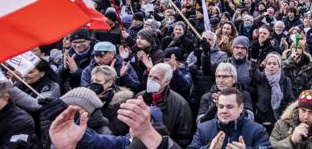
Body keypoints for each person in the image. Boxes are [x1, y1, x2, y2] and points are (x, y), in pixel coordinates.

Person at [49, 98, 181, 149]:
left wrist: (146, 134)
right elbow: (97, 141)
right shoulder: (124, 142)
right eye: (131, 119)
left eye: (141, 119)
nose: (134, 125)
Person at [188, 87, 271, 149]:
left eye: (229, 107)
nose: (224, 111)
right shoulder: (203, 129)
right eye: (221, 106)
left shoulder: (258, 130)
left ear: (241, 108)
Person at [137, 63, 193, 147]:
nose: (150, 80)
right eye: (150, 76)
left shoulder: (181, 104)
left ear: (166, 82)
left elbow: (183, 138)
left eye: (156, 78)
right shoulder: (139, 97)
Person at [249, 52, 294, 130]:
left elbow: (290, 99)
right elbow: (253, 72)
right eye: (269, 63)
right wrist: (253, 61)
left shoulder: (286, 80)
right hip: (262, 117)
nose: (271, 66)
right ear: (265, 66)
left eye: (274, 64)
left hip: (279, 117)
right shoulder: (261, 77)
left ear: (279, 66)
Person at [187, 31, 227, 114]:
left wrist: (206, 54)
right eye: (204, 39)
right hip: (195, 92)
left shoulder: (222, 55)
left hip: (210, 93)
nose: (207, 42)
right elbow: (188, 69)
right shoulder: (193, 53)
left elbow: (214, 70)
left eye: (210, 40)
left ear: (215, 41)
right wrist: (197, 61)